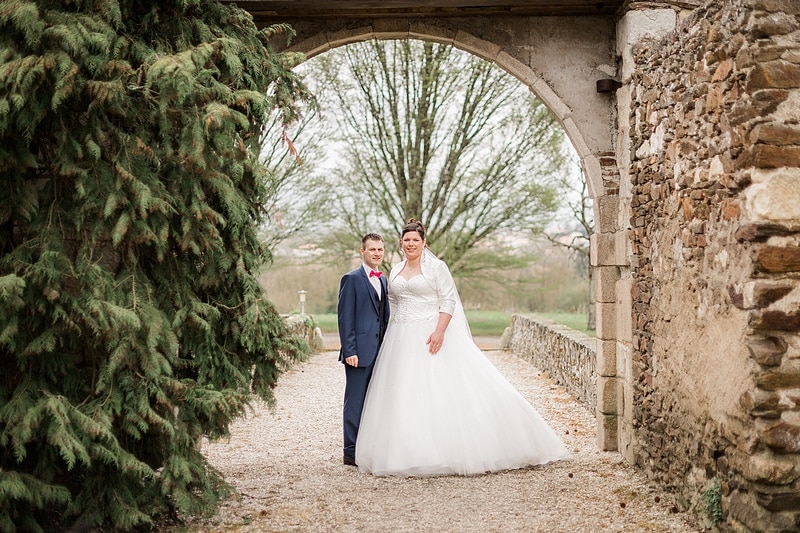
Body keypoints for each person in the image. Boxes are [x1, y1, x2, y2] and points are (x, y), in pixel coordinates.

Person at [355, 219, 569, 476]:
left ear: (424, 243)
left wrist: (439, 331)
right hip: (399, 336)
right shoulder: (397, 269)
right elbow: (392, 302)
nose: (411, 244)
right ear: (401, 244)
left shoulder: (437, 267)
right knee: (402, 392)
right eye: (406, 240)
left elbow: (448, 301)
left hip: (430, 333)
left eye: (415, 240)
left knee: (442, 389)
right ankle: (407, 452)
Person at [337, 233, 390, 466]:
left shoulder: (383, 280)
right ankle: (350, 451)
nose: (376, 253)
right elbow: (345, 318)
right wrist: (350, 351)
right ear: (362, 252)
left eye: (380, 249)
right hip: (358, 353)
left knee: (375, 401)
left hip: (381, 351)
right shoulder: (352, 279)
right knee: (355, 401)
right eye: (372, 250)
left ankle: (369, 447)